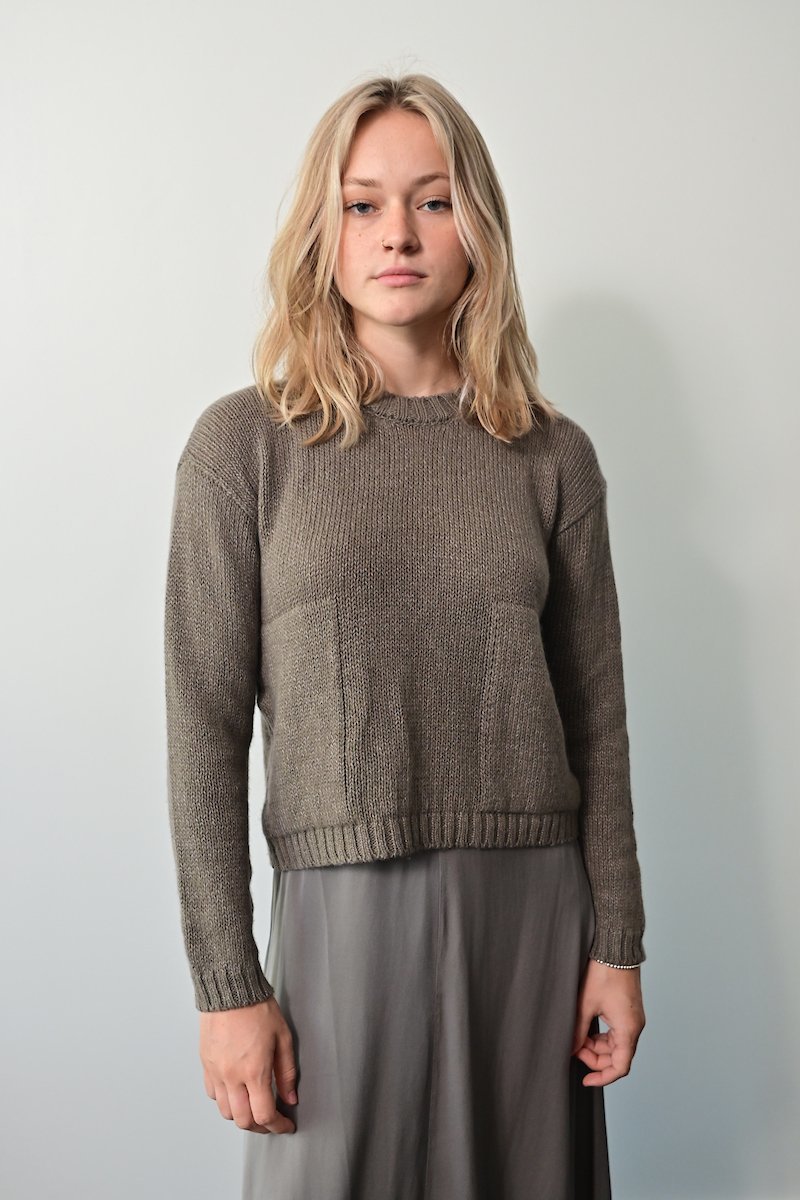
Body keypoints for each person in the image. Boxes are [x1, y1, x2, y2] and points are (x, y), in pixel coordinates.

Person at [164, 72, 647, 1200]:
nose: (398, 234)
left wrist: (618, 944)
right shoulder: (244, 449)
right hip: (339, 915)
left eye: (433, 201)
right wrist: (227, 983)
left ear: (478, 228)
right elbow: (201, 724)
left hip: (533, 915)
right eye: (363, 203)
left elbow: (598, 720)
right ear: (321, 231)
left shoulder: (551, 456)